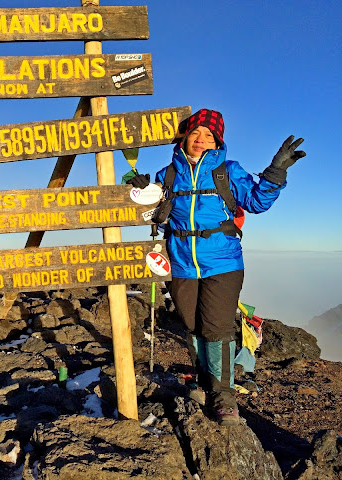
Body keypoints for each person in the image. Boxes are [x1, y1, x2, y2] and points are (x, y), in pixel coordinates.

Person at [126, 109, 305, 425]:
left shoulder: (227, 171)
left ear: (217, 140)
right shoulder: (168, 174)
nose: (200, 139)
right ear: (185, 137)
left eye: (208, 135)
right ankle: (204, 381)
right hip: (181, 264)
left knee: (216, 327)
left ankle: (224, 397)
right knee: (193, 325)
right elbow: (149, 210)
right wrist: (141, 189)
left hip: (223, 263)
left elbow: (256, 201)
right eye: (196, 133)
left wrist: (276, 172)